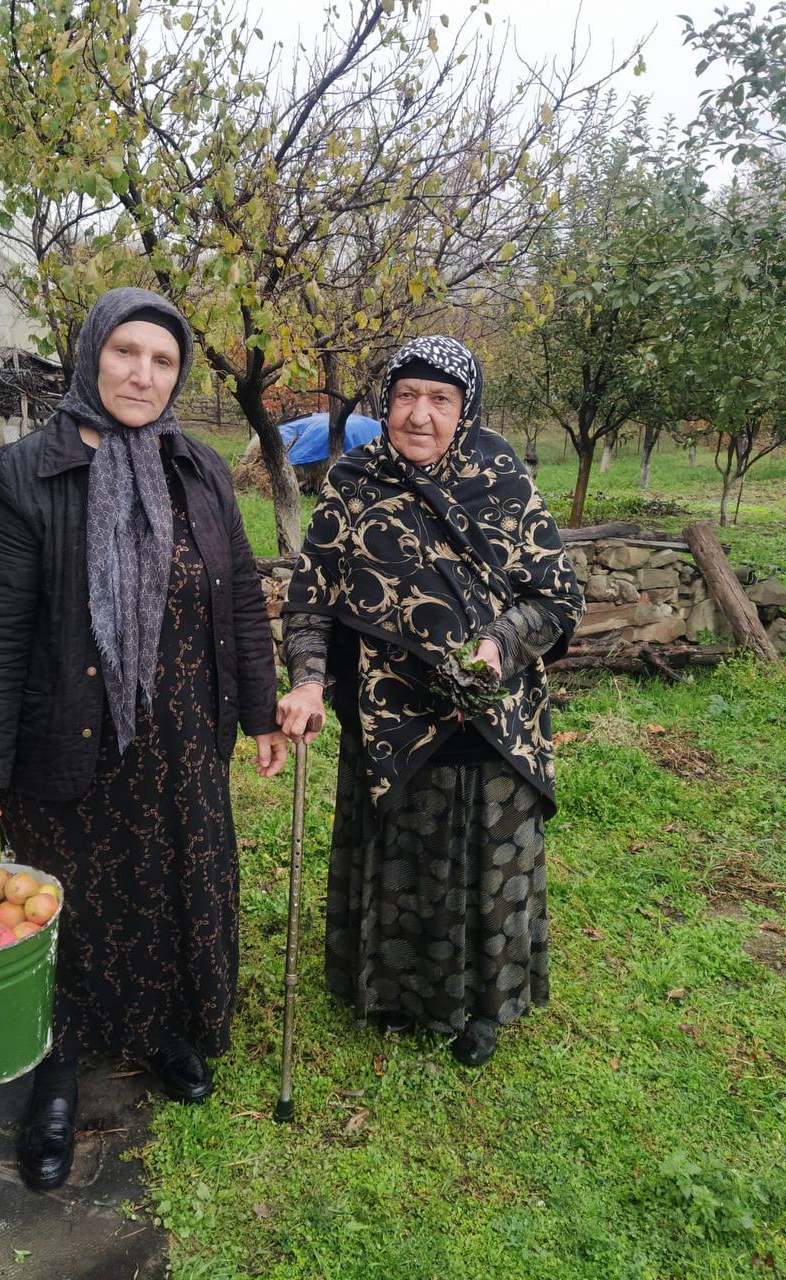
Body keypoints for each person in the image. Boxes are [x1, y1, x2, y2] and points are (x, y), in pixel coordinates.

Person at [0, 287, 286, 1191]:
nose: (143, 375)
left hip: (184, 731)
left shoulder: (200, 469)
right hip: (71, 732)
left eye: (163, 360)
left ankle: (164, 1030)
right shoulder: (27, 473)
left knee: (177, 878)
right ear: (90, 355)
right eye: (125, 353)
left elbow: (242, 598)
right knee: (76, 897)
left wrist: (258, 710)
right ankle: (57, 1070)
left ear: (178, 373)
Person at [276, 335, 584, 1068]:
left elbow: (557, 598)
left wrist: (501, 644)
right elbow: (310, 598)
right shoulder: (351, 480)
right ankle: (394, 994)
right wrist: (310, 678)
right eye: (406, 397)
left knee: (489, 862)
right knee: (400, 854)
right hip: (386, 715)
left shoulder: (503, 479)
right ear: (385, 403)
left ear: (465, 408)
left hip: (489, 714)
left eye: (440, 400)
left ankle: (486, 1006)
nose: (420, 415)